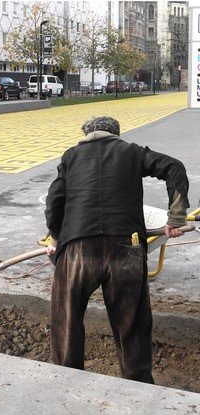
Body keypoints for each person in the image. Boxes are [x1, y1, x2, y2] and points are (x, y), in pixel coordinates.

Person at [45, 115, 189, 384]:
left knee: (67, 319)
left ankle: (65, 382)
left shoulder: (71, 156)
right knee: (131, 323)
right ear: (116, 134)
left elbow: (55, 201)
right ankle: (137, 386)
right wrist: (176, 218)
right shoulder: (132, 152)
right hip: (126, 247)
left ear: (86, 133)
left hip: (78, 247)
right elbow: (174, 167)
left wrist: (55, 237)